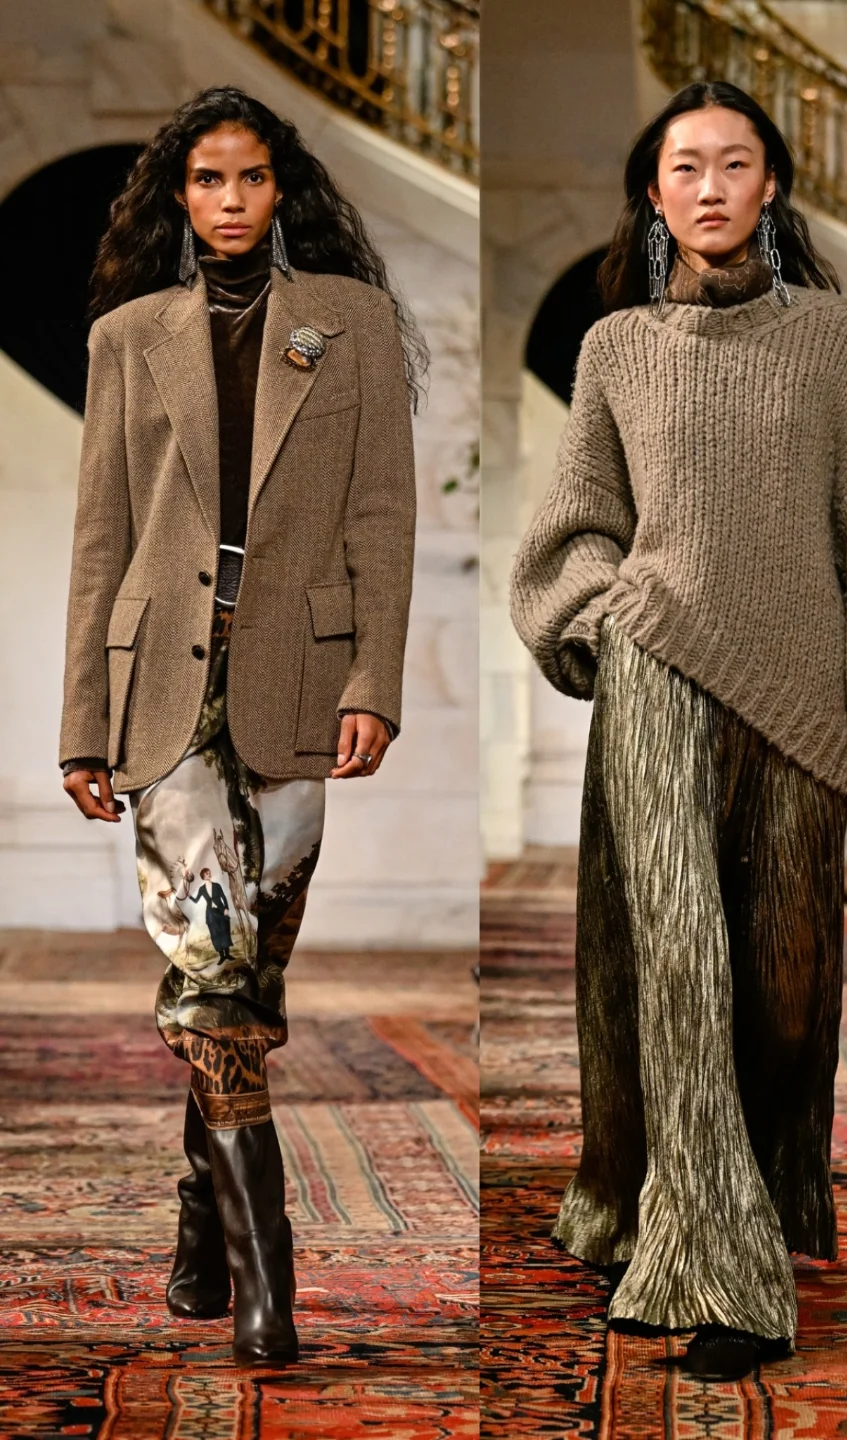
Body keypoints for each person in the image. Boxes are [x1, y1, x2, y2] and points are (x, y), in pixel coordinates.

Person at [509, 81, 847, 1381]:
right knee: (679, 977)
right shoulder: (617, 348)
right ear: (653, 195)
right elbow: (574, 525)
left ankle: (691, 1206)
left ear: (772, 185)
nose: (709, 186)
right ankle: (725, 1276)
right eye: (685, 166)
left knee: (786, 988)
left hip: (800, 704)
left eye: (735, 163)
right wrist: (606, 612)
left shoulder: (831, 337)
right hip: (658, 682)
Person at [59, 86, 420, 1366]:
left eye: (251, 177)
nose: (229, 199)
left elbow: (383, 516)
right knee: (211, 970)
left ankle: (198, 1221)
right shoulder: (128, 337)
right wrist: (82, 725)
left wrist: (376, 681)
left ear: (281, 189)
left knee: (247, 976)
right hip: (163, 683)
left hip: (298, 678)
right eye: (207, 179)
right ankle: (271, 1278)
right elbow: (101, 537)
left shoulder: (351, 321)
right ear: (179, 194)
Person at [193, 866, 233, 962]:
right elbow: (196, 900)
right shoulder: (202, 889)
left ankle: (227, 954)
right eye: (207, 873)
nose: (209, 874)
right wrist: (189, 896)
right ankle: (222, 956)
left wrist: (226, 908)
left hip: (221, 910)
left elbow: (223, 897)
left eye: (209, 872)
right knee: (215, 934)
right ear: (203, 876)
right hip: (210, 913)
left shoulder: (216, 885)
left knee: (225, 931)